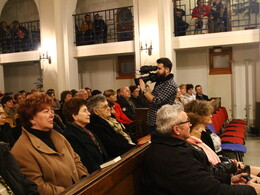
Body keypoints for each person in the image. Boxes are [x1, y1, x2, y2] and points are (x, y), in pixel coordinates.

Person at [142, 104, 259, 194]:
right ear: (177, 129)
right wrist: (250, 190)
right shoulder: (173, 156)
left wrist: (229, 179)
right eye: (187, 122)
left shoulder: (173, 145)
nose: (190, 125)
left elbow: (203, 174)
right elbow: (212, 191)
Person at [11, 93, 88, 194]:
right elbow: (38, 186)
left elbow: (76, 160)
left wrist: (84, 181)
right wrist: (69, 191)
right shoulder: (22, 150)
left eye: (51, 110)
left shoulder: (58, 136)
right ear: (31, 118)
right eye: (46, 111)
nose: (52, 115)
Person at [184, 100, 260, 178]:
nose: (211, 115)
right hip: (221, 170)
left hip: (223, 164)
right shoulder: (200, 135)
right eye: (207, 114)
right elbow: (210, 163)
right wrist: (230, 164)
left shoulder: (205, 130)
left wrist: (229, 161)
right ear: (199, 116)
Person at [63, 98, 109, 173]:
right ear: (75, 116)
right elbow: (86, 163)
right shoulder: (70, 136)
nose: (89, 113)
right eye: (85, 111)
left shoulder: (87, 130)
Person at [139, 57, 178, 132]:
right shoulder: (162, 82)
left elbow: (157, 101)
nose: (157, 71)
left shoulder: (170, 84)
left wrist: (144, 90)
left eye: (159, 69)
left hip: (160, 122)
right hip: (153, 121)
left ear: (167, 69)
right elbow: (153, 97)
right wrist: (146, 88)